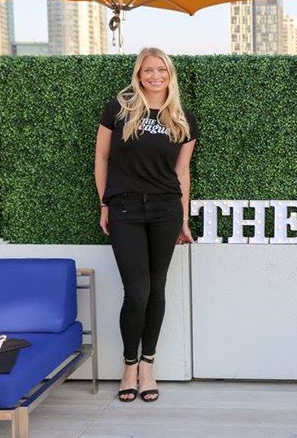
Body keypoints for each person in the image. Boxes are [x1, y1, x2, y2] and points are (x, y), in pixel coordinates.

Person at [94, 48, 198, 402]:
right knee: (137, 291)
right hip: (124, 209)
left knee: (156, 289)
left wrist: (183, 218)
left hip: (165, 210)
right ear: (138, 75)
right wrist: (104, 203)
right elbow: (102, 157)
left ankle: (147, 366)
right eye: (148, 70)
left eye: (161, 70)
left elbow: (182, 173)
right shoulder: (118, 109)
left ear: (170, 74)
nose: (155, 76)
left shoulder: (183, 119)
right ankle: (128, 365)